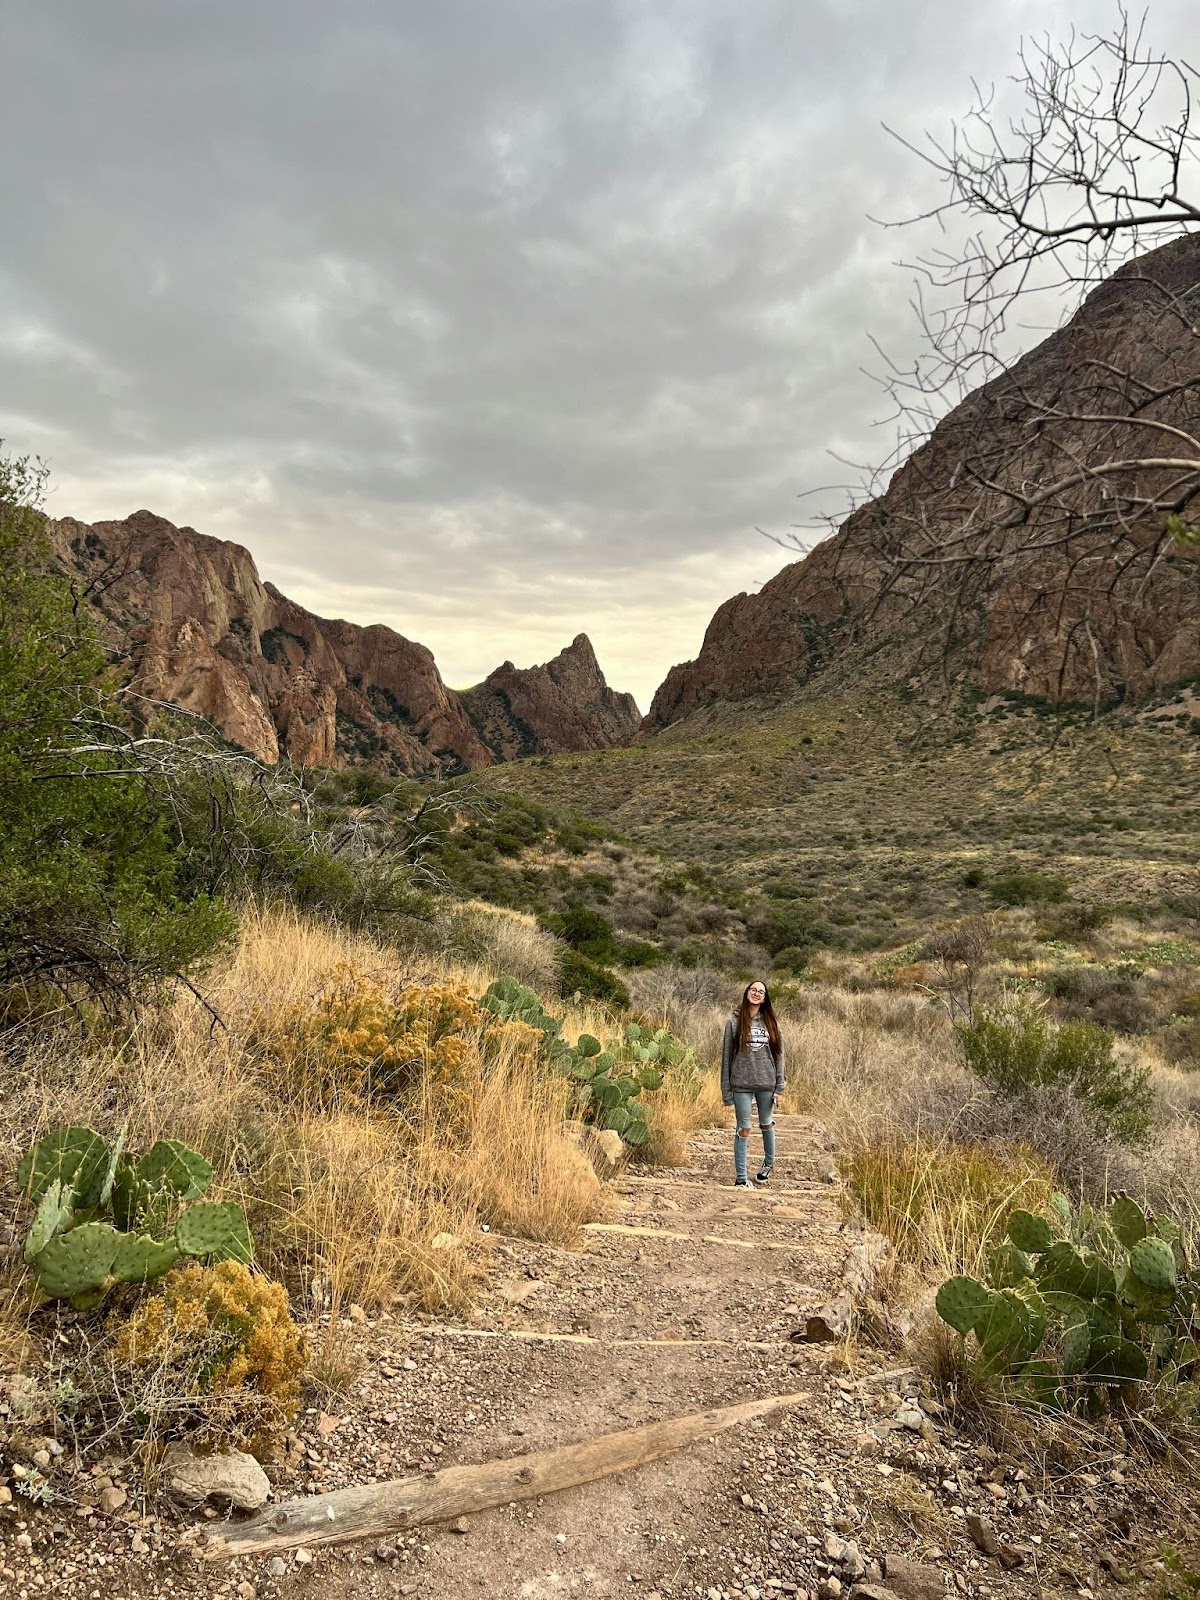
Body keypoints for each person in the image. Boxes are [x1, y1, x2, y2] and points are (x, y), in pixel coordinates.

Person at [720, 980, 784, 1187]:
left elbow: (779, 1056)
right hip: (741, 1083)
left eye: (761, 992)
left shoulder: (771, 1023)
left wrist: (779, 1087)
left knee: (766, 1123)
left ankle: (768, 1163)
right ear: (747, 992)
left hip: (766, 1082)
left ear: (765, 998)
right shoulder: (733, 1022)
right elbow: (726, 1057)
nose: (756, 993)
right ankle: (741, 1178)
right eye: (753, 990)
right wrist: (726, 1090)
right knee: (743, 1128)